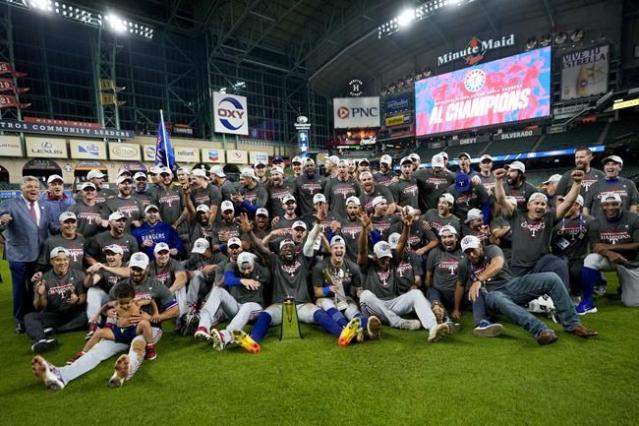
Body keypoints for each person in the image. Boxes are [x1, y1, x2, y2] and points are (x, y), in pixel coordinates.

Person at [31, 252, 178, 390]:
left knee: (138, 344)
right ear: (129, 267)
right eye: (133, 268)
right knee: (97, 351)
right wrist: (110, 312)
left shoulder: (158, 286)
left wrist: (153, 317)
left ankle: (125, 371)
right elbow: (108, 306)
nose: (136, 272)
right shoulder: (120, 287)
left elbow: (175, 310)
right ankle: (62, 375)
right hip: (120, 329)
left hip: (148, 329)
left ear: (147, 268)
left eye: (139, 269)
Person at [458, 235, 598, 345]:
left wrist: (478, 280)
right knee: (498, 298)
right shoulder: (465, 264)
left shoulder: (492, 249)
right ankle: (541, 331)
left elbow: (498, 264)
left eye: (472, 250)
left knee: (552, 278)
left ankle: (573, 324)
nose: (471, 255)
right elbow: (459, 285)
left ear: (480, 247)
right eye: (467, 252)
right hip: (492, 295)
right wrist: (455, 309)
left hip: (512, 285)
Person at [239, 213, 347, 346]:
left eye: (290, 247)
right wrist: (249, 232)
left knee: (319, 314)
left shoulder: (303, 258)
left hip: (302, 304)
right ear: (279, 252)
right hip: (280, 305)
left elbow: (310, 241)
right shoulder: (275, 261)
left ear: (296, 251)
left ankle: (342, 334)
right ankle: (253, 340)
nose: (288, 250)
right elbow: (260, 248)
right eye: (284, 248)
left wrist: (318, 222)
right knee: (265, 315)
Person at [357, 211, 450, 341]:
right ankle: (399, 322)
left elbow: (401, 244)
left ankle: (433, 328)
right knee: (365, 295)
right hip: (375, 305)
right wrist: (364, 228)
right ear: (375, 257)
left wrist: (407, 226)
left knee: (416, 294)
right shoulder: (367, 264)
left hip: (394, 302)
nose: (387, 260)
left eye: (388, 257)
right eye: (383, 258)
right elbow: (362, 250)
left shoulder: (392, 260)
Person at [494, 167, 583, 287]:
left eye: (543, 204)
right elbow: (501, 199)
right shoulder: (517, 216)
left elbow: (568, 203)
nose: (540, 206)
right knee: (519, 296)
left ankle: (563, 295)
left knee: (559, 263)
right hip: (519, 267)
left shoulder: (549, 217)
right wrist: (498, 181)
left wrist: (577, 183)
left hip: (541, 264)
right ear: (529, 205)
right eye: (536, 203)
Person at [0, 176, 56, 334]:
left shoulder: (44, 205)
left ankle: (35, 317)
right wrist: (2, 221)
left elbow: (50, 227)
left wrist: (66, 229)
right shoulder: (10, 204)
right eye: (29, 186)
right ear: (21, 189)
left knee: (37, 287)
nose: (33, 189)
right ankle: (20, 319)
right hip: (19, 256)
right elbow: (1, 222)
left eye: (36, 187)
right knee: (20, 290)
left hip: (40, 256)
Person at [311, 234, 381, 345]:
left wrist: (362, 295)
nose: (339, 250)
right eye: (336, 247)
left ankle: (367, 324)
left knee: (351, 310)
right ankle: (349, 328)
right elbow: (317, 292)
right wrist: (329, 289)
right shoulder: (320, 266)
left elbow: (359, 289)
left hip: (344, 298)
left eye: (341, 247)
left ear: (345, 250)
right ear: (331, 249)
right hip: (326, 298)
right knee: (325, 303)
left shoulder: (353, 267)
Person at [577, 192, 639, 315]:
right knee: (591, 259)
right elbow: (595, 246)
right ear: (601, 206)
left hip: (632, 262)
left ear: (621, 205)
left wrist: (611, 247)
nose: (610, 208)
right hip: (611, 260)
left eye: (614, 204)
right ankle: (587, 301)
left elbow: (638, 244)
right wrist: (610, 253)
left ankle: (624, 288)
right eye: (606, 204)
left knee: (631, 302)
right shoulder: (595, 222)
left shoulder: (634, 218)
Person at [194, 251, 268, 352]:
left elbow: (269, 280)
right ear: (237, 264)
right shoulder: (231, 265)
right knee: (217, 290)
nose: (246, 271)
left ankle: (226, 335)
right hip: (237, 306)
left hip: (255, 308)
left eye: (249, 268)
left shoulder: (261, 270)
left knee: (247, 306)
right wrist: (242, 280)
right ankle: (203, 327)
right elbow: (228, 280)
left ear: (253, 264)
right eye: (243, 269)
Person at [76, 282, 158, 362]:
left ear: (132, 299)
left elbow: (151, 301)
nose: (124, 306)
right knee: (99, 332)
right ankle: (83, 353)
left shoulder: (137, 303)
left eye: (127, 303)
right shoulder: (116, 304)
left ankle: (150, 348)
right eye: (121, 303)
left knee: (145, 323)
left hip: (133, 331)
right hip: (119, 332)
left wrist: (156, 313)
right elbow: (106, 305)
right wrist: (97, 315)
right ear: (118, 299)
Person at [25, 247, 87, 352]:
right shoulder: (43, 279)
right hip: (53, 314)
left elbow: (83, 297)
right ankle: (40, 340)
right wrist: (40, 295)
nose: (62, 262)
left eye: (65, 259)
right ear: (51, 261)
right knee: (30, 317)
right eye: (58, 260)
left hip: (73, 313)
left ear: (69, 260)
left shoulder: (79, 275)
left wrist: (77, 299)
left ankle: (55, 330)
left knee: (88, 315)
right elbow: (39, 306)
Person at [83, 244, 128, 339]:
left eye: (113, 254)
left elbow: (126, 273)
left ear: (121, 256)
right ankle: (94, 325)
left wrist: (105, 267)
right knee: (93, 290)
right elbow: (88, 284)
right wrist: (90, 275)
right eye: (108, 254)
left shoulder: (126, 265)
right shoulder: (103, 268)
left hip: (125, 301)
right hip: (108, 300)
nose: (110, 257)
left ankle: (111, 326)